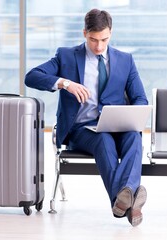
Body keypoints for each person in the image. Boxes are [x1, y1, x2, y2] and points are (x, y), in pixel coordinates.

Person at [25, 9, 148, 227]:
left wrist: (133, 116)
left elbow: (139, 98)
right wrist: (65, 83)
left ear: (111, 33)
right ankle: (131, 200)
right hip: (82, 130)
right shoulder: (66, 56)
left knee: (134, 136)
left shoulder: (125, 60)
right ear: (84, 33)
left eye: (104, 39)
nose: (99, 46)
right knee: (103, 140)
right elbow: (32, 77)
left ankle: (124, 200)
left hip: (116, 126)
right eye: (93, 39)